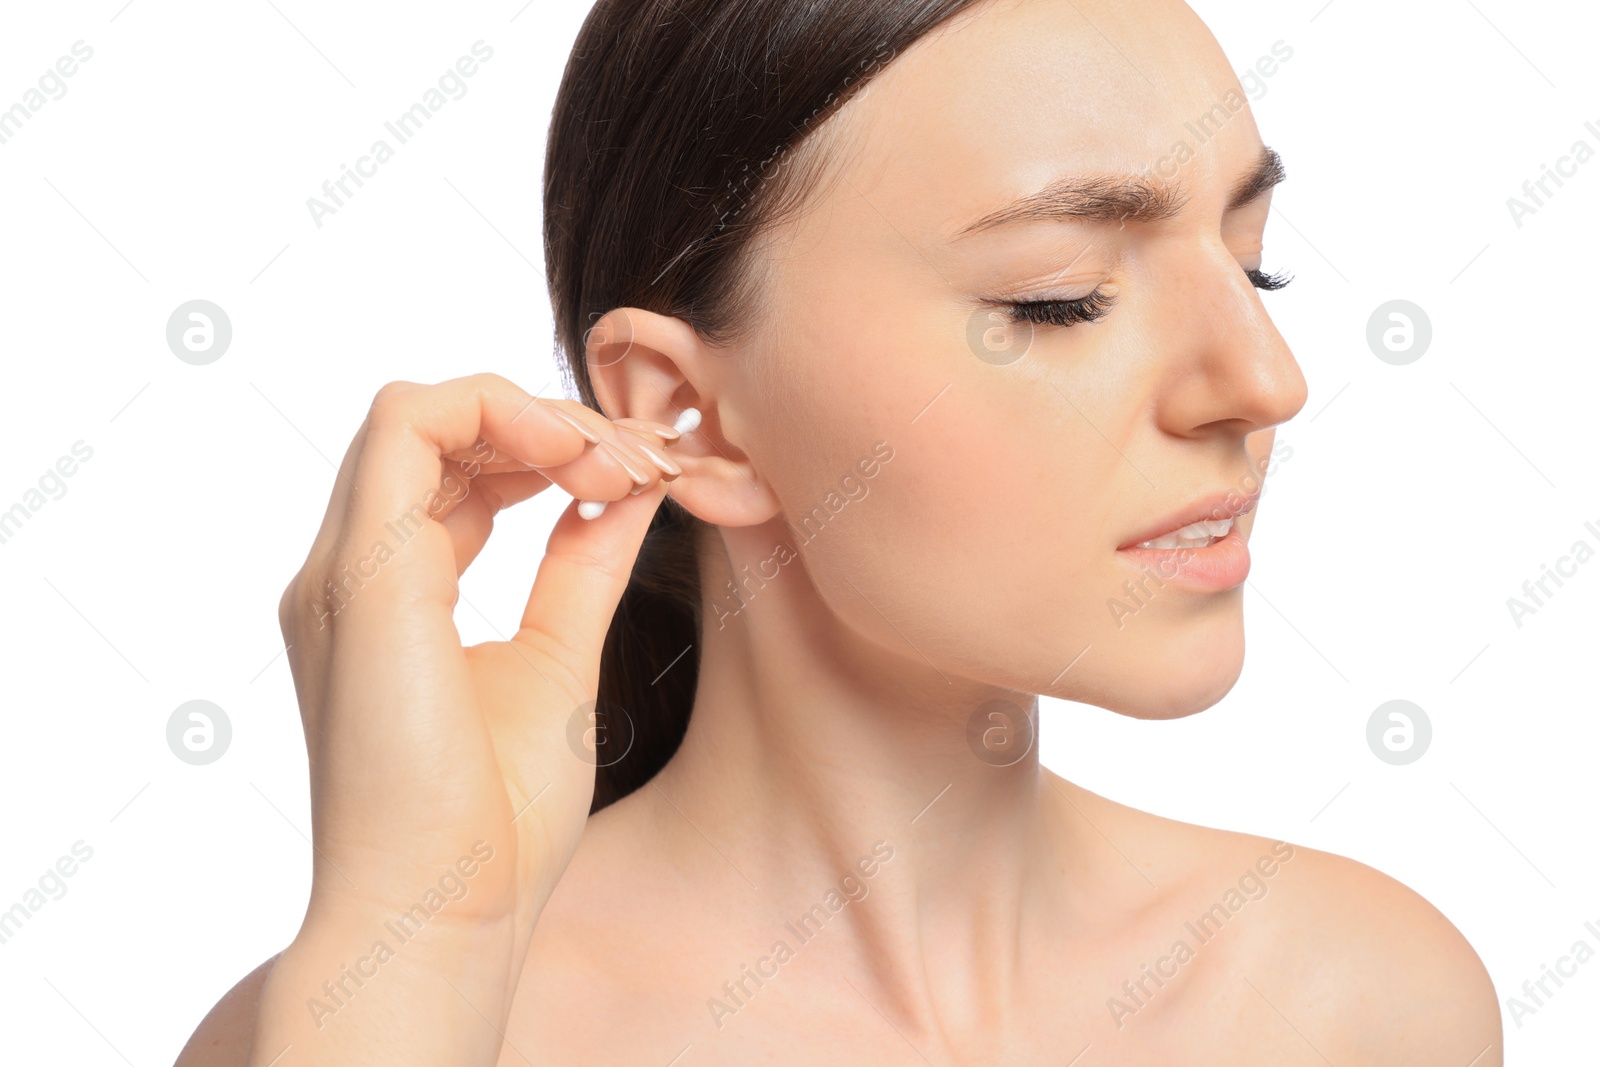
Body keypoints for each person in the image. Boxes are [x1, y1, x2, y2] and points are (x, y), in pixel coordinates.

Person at [176, 0, 1502, 1062]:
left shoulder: (1357, 1005)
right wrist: (426, 940)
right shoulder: (367, 1023)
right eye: (1061, 299)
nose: (1267, 381)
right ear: (689, 412)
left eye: (1253, 259)